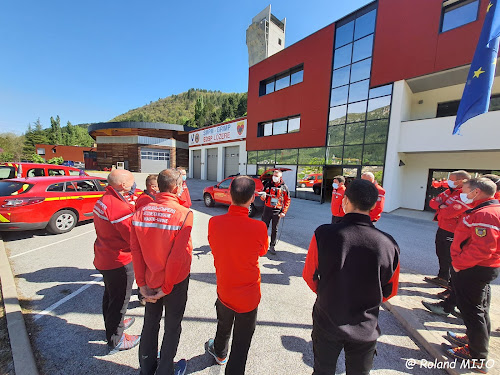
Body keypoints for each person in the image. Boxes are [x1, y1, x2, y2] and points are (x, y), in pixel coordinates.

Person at [303, 179, 400, 375]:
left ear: (345, 200)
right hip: (365, 325)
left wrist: (326, 291)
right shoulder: (388, 243)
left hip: (327, 318)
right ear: (373, 205)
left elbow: (309, 276)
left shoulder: (323, 233)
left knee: (322, 370)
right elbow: (390, 290)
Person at [130, 169, 193, 375]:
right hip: (174, 282)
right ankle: (165, 370)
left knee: (150, 324)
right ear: (176, 187)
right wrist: (167, 287)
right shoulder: (184, 214)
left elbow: (136, 252)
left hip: (150, 280)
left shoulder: (140, 212)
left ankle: (146, 368)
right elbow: (177, 258)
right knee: (172, 326)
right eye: (182, 184)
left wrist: (142, 285)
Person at [206, 176, 269, 374]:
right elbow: (262, 251)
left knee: (223, 325)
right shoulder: (259, 227)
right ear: (252, 198)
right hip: (249, 294)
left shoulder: (214, 222)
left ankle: (219, 352)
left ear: (229, 194)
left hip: (225, 287)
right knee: (242, 342)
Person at [444, 178, 500, 371]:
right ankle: (474, 340)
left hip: (473, 269)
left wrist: (459, 265)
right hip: (479, 268)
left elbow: (482, 249)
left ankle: (476, 355)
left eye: (466, 191)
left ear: (476, 192)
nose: (462, 193)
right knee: (480, 308)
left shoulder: (486, 214)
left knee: (472, 310)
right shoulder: (485, 210)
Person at [93, 169, 140, 352]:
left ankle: (112, 324)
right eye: (132, 182)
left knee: (111, 296)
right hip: (119, 261)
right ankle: (116, 339)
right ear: (122, 185)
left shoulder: (106, 199)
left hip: (105, 256)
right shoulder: (118, 207)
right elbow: (132, 237)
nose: (134, 185)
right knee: (120, 301)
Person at [425, 170, 471, 289]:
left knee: (449, 256)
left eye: (451, 179)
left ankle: (450, 284)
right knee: (440, 253)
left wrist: (442, 207)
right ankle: (442, 277)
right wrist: (441, 206)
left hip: (453, 231)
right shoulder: (448, 192)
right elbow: (432, 202)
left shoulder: (464, 195)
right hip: (442, 227)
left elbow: (449, 213)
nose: (448, 181)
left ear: (461, 181)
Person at [261, 169, 291, 255]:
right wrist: (262, 197)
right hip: (267, 209)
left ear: (280, 177)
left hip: (277, 210)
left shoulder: (284, 187)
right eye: (274, 175)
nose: (274, 177)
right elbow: (263, 196)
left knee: (275, 229)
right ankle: (262, 245)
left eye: (276, 176)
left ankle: (272, 246)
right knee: (264, 227)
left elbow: (287, 200)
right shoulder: (267, 185)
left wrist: (284, 212)